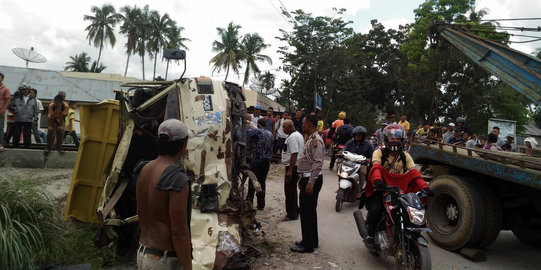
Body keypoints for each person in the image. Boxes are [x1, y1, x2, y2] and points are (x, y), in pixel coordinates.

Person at [364, 124, 432, 250]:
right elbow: (376, 168)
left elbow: (414, 174)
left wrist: (424, 187)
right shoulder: (378, 152)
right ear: (386, 139)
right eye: (391, 138)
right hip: (382, 188)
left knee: (413, 210)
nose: (395, 141)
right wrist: (378, 181)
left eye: (397, 138)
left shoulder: (405, 156)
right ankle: (370, 235)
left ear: (402, 139)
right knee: (375, 209)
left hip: (400, 190)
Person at [136, 119, 192, 270]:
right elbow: (179, 231)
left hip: (143, 252)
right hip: (163, 260)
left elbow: (141, 212)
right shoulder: (177, 177)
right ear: (181, 146)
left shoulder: (144, 169)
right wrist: (188, 266)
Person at [290, 115, 324, 253]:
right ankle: (311, 240)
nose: (302, 125)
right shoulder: (310, 139)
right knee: (309, 211)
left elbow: (318, 162)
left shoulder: (316, 141)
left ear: (309, 124)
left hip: (311, 180)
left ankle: (307, 245)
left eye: (303, 123)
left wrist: (310, 182)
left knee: (306, 212)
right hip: (307, 178)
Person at [246, 118, 273, 210]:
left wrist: (248, 122)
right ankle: (261, 204)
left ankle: (249, 203)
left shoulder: (257, 132)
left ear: (258, 125)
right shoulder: (270, 134)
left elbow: (248, 132)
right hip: (266, 161)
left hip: (257, 161)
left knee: (252, 182)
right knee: (262, 182)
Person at [281, 119, 304, 221]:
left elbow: (294, 153)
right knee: (292, 190)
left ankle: (291, 213)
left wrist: (290, 171)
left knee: (289, 190)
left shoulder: (293, 137)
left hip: (292, 166)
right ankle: (295, 209)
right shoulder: (296, 135)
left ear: (290, 126)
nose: (283, 129)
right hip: (294, 166)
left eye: (284, 127)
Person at [343, 126, 374, 198]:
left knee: (363, 171)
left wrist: (369, 159)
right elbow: (344, 150)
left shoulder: (368, 145)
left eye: (359, 135)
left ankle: (359, 190)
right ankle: (340, 186)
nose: (357, 136)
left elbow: (372, 156)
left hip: (361, 164)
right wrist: (341, 153)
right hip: (349, 163)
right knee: (340, 168)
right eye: (356, 134)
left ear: (363, 136)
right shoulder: (350, 142)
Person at [0, 73, 11, 151]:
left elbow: (8, 100)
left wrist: (3, 109)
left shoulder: (5, 89)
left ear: (2, 79)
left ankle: (0, 144)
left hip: (0, 111)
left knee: (0, 128)